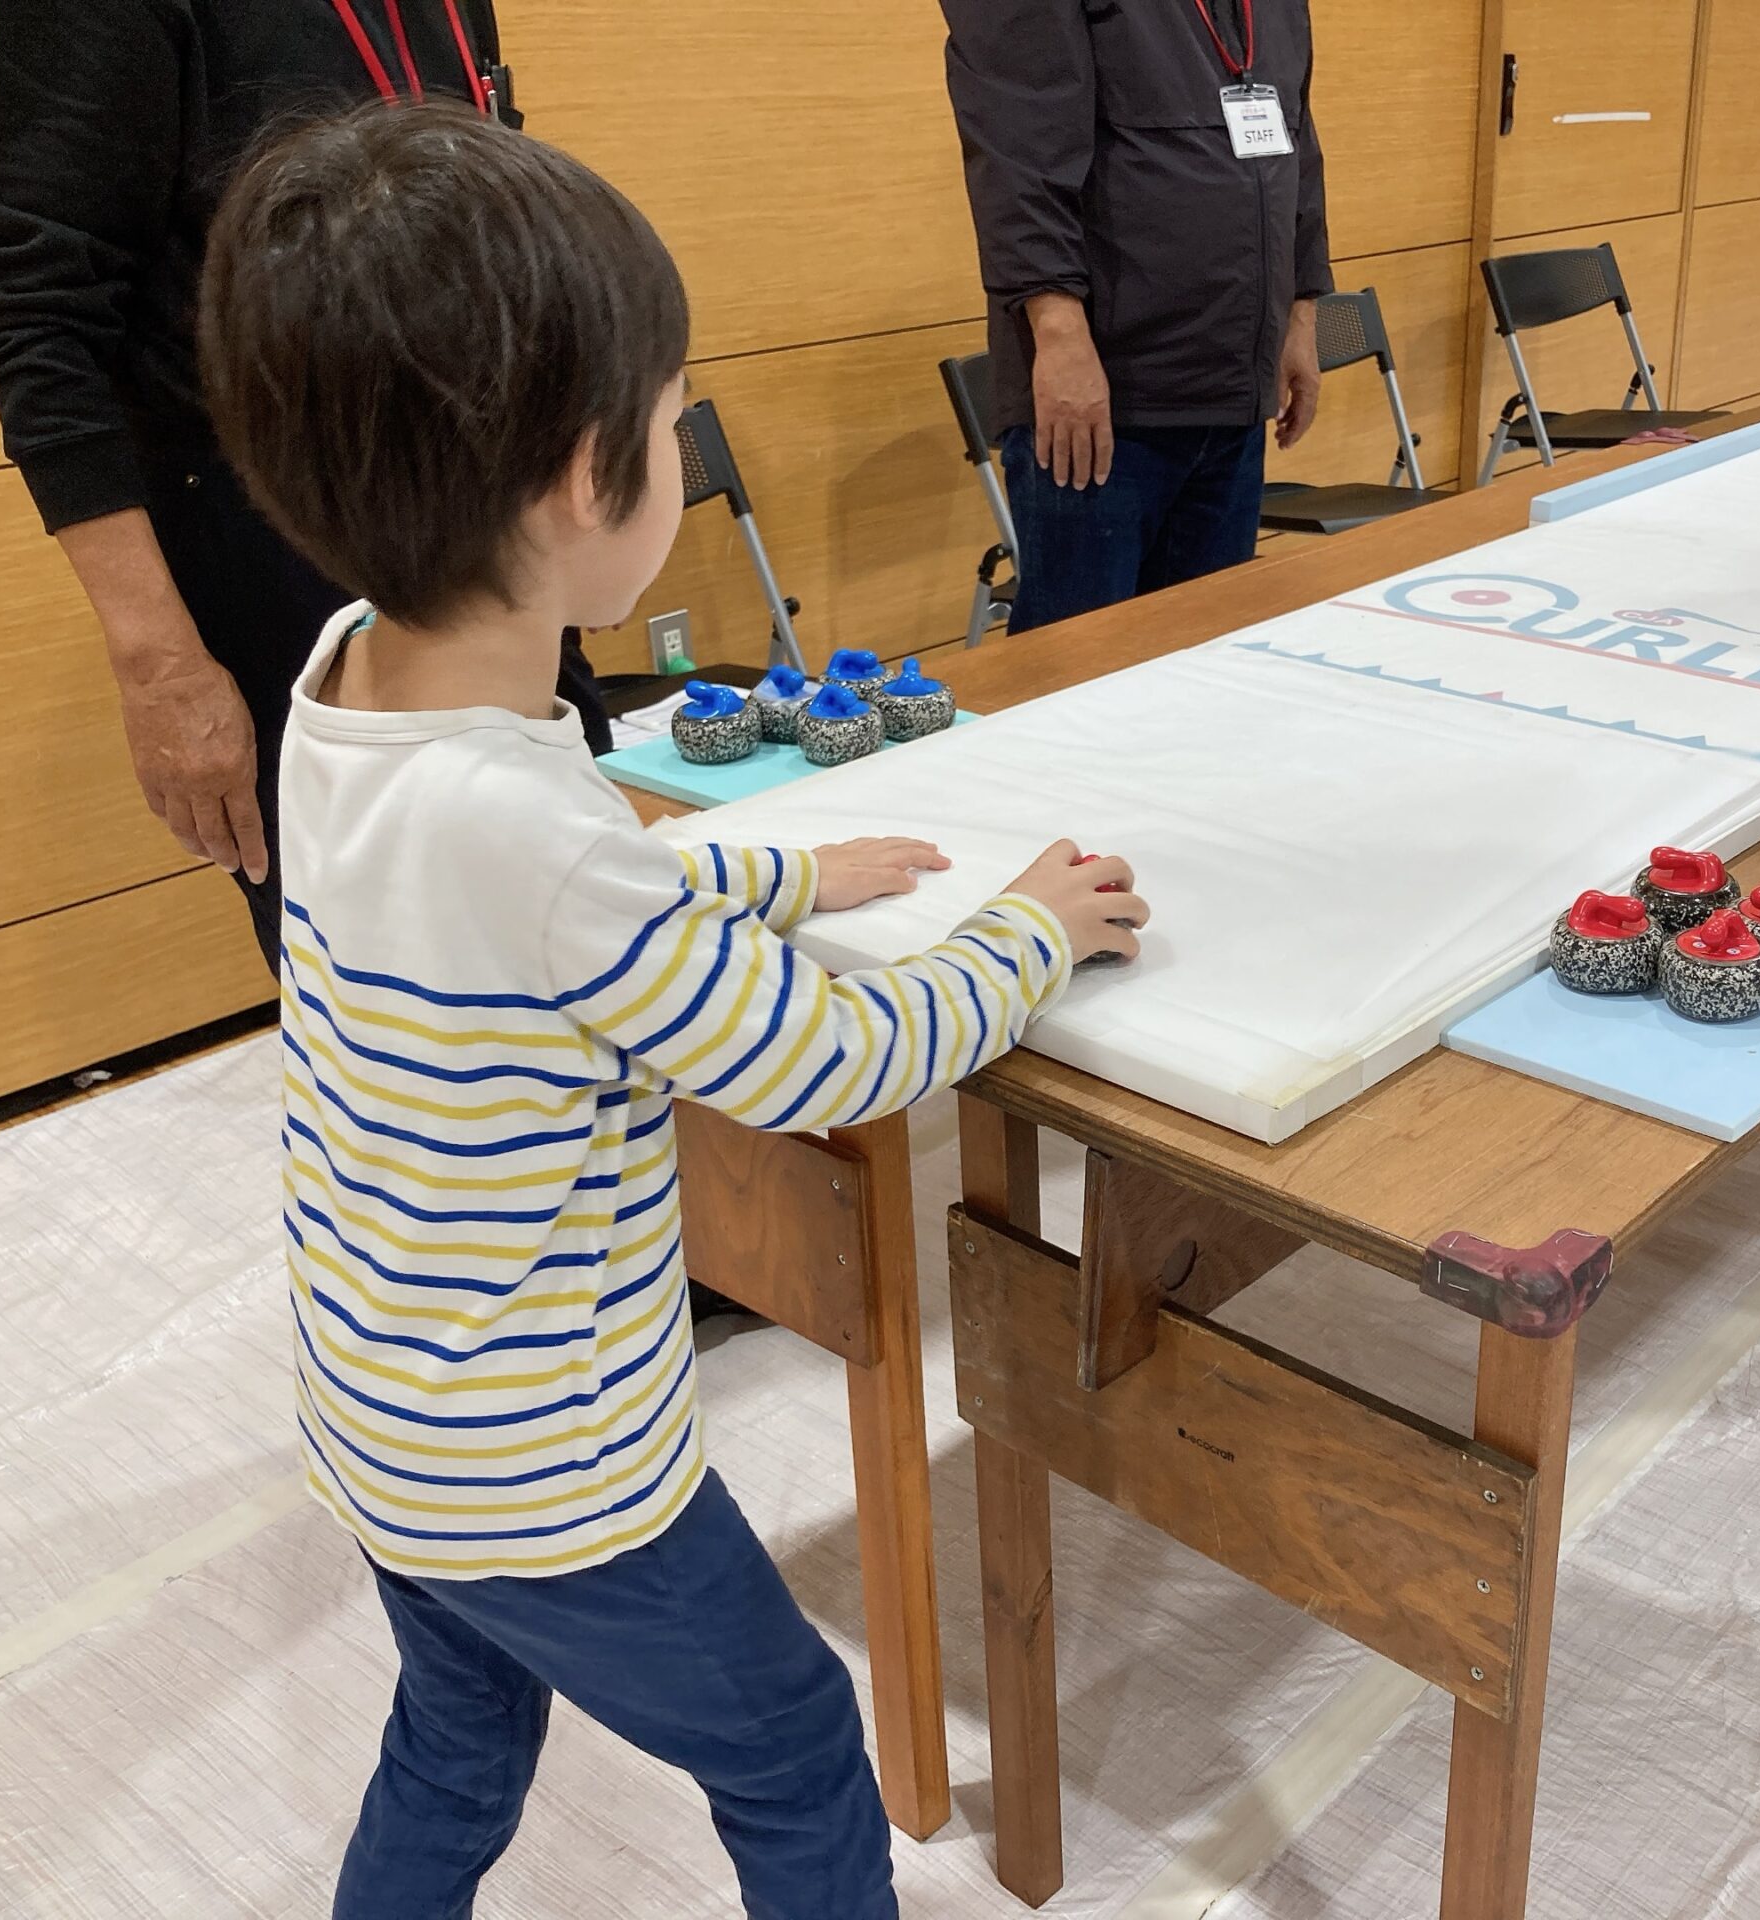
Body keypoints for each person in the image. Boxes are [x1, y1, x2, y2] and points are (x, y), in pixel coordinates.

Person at [198, 103, 1150, 1914]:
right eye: (666, 421)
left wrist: (782, 874)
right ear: (583, 483)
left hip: (387, 1417)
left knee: (457, 1741)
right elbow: (832, 1057)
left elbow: (521, 922)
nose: (673, 451)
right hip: (549, 1470)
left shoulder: (342, 690)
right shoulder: (533, 826)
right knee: (798, 1754)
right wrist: (1025, 927)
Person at [0, 0, 609, 965]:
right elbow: (36, 322)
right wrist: (162, 668)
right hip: (276, 532)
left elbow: (483, 228)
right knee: (398, 970)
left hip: (489, 508)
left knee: (582, 907)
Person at [940, 0, 1332, 632]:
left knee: (1204, 663)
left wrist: (1301, 312)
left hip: (1231, 387)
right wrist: (1059, 336)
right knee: (1078, 674)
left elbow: (1296, 140)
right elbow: (1017, 157)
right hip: (1105, 400)